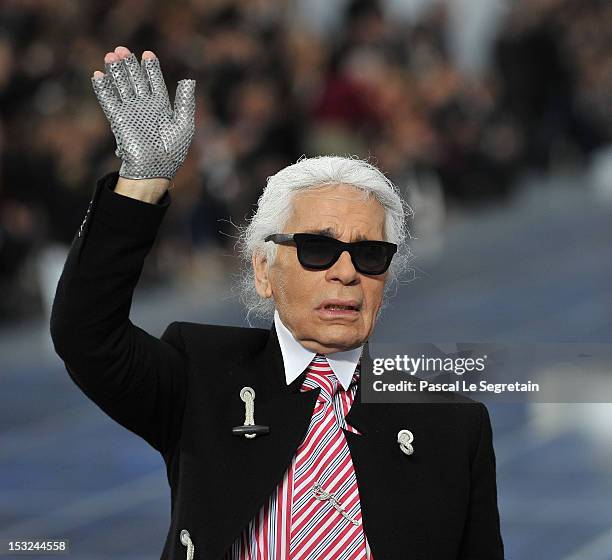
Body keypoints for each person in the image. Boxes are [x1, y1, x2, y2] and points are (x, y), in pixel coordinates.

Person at [50, 45, 504, 560]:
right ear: (264, 271)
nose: (346, 271)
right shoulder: (200, 374)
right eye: (317, 248)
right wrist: (142, 183)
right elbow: (85, 335)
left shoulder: (453, 424)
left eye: (370, 254)